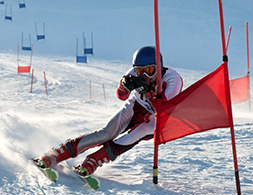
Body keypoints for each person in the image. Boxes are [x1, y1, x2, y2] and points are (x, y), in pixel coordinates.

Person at [34, 46, 183, 176]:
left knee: (138, 132)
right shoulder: (133, 73)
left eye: (150, 70)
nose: (144, 75)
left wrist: (148, 91)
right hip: (136, 106)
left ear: (159, 66)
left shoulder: (173, 79)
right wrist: (124, 86)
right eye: (140, 70)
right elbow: (121, 96)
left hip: (155, 118)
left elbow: (163, 109)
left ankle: (93, 161)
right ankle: (55, 155)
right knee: (106, 133)